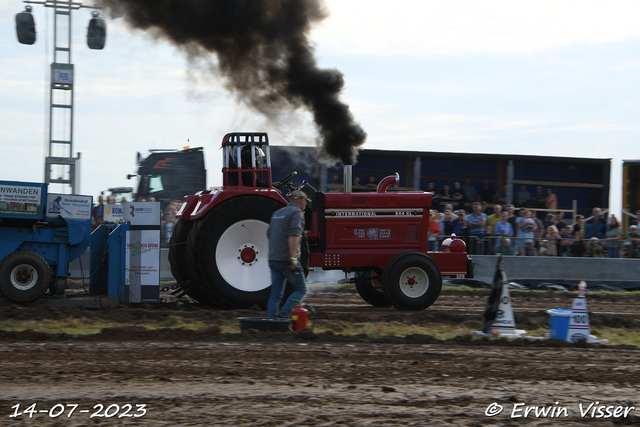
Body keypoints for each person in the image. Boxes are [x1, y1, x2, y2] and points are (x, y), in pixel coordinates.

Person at [267, 190, 310, 319]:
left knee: (275, 295)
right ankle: (283, 316)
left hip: (273, 259)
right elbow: (294, 235)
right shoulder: (296, 213)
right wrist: (293, 258)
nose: (305, 206)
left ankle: (271, 322)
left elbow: (269, 234)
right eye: (306, 203)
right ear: (302, 200)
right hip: (287, 259)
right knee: (301, 289)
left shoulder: (277, 213)